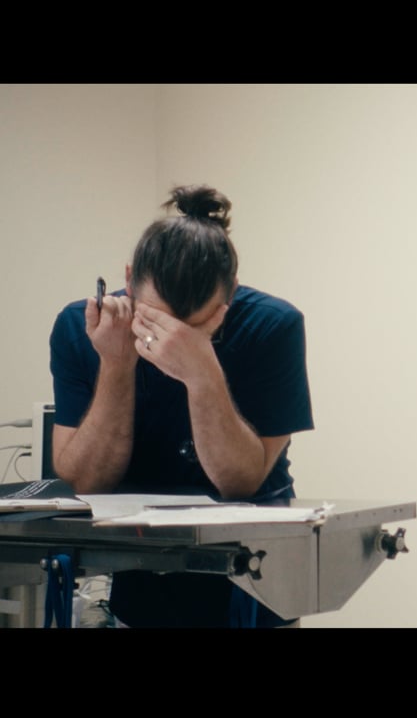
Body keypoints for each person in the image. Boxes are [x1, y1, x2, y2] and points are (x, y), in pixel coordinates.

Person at [48, 184, 314, 627]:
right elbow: (85, 482)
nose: (168, 341)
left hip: (254, 577)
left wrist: (202, 372)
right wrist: (116, 364)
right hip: (141, 567)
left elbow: (241, 482)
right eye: (154, 320)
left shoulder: (273, 326)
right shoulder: (83, 327)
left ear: (229, 298)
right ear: (128, 280)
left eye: (189, 329)